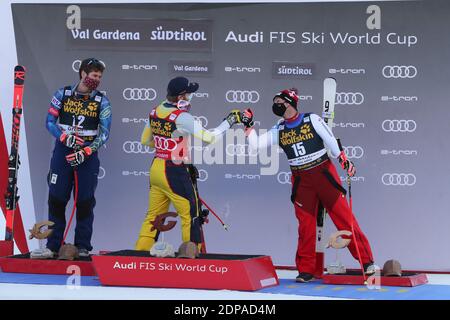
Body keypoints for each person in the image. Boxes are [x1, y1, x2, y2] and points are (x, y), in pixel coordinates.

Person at [241, 88, 375, 282]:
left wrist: (344, 160)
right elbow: (256, 145)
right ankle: (306, 270)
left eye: (279, 101)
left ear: (288, 103)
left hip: (322, 173)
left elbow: (329, 138)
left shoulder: (311, 119)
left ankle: (367, 262)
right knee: (306, 226)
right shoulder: (279, 128)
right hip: (301, 179)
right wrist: (248, 127)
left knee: (344, 219)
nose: (275, 104)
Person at [135, 76, 241, 252]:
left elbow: (145, 140)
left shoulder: (155, 111)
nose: (190, 97)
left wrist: (166, 144)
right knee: (190, 215)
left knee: (153, 217)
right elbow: (210, 138)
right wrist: (229, 121)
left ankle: (137, 256)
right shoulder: (182, 117)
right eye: (189, 94)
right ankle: (191, 257)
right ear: (181, 96)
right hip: (174, 171)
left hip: (156, 167)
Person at [31, 58, 112, 259]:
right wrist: (64, 136)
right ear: (83, 73)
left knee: (85, 201)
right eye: (94, 75)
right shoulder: (63, 94)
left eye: (100, 77)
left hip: (87, 155)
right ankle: (53, 245)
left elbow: (104, 133)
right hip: (63, 151)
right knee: (56, 199)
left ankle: (82, 247)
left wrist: (87, 150)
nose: (97, 80)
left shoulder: (102, 101)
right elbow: (49, 121)